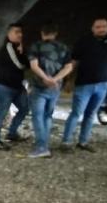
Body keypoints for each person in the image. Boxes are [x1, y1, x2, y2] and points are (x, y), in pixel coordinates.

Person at [61, 18, 107, 152]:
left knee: (91, 114)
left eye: (103, 27)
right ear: (92, 29)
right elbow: (74, 62)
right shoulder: (83, 41)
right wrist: (68, 80)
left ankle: (83, 142)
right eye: (98, 27)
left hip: (103, 84)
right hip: (84, 84)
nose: (101, 29)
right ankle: (66, 142)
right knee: (76, 113)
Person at [27, 22, 73, 158]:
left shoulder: (36, 46)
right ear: (55, 34)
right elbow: (69, 67)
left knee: (37, 116)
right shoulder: (64, 48)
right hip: (55, 88)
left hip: (39, 86)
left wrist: (46, 78)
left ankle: (42, 147)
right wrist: (55, 79)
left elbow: (34, 66)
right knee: (48, 115)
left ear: (42, 33)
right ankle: (44, 143)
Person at [0, 23, 30, 150]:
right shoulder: (8, 46)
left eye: (21, 32)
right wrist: (25, 59)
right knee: (1, 113)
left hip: (17, 86)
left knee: (24, 109)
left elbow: (25, 63)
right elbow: (20, 65)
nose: (20, 34)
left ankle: (12, 133)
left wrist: (23, 54)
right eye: (16, 32)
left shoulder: (18, 47)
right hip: (4, 87)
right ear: (9, 34)